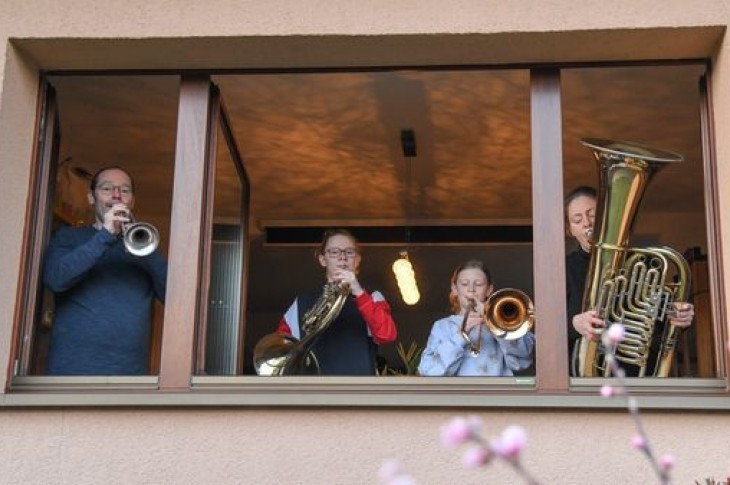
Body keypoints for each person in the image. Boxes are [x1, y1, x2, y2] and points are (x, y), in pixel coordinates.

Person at [43, 166, 167, 375]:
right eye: (107, 188)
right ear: (92, 198)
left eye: (125, 190)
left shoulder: (144, 247)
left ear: (132, 201)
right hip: (71, 373)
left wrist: (147, 249)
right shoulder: (69, 237)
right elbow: (55, 279)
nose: (117, 195)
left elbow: (176, 300)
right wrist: (105, 235)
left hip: (130, 376)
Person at [565, 185, 694, 375]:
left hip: (638, 375)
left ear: (606, 217)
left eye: (592, 215)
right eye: (577, 219)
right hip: (582, 379)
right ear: (570, 230)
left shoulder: (643, 262)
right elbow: (546, 330)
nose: (586, 223)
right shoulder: (561, 268)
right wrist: (574, 324)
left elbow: (658, 320)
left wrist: (676, 315)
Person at [275, 228, 397, 375]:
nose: (342, 257)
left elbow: (387, 335)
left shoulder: (373, 297)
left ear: (357, 260)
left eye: (349, 252)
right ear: (322, 259)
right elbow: (281, 347)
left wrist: (358, 291)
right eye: (334, 252)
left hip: (358, 389)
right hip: (315, 389)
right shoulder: (303, 301)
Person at [418, 260, 535, 376]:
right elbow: (428, 371)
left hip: (497, 393)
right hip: (457, 394)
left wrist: (495, 324)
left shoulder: (506, 323)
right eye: (464, 284)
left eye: (478, 284)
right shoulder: (442, 326)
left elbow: (521, 363)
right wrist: (460, 336)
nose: (471, 289)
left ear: (489, 290)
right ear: (454, 289)